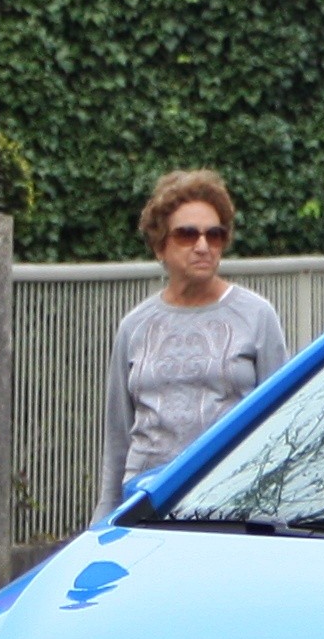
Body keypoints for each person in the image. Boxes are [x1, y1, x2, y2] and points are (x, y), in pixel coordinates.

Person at [100, 168, 289, 503]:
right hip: (147, 500)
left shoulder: (257, 316)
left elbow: (282, 419)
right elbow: (118, 437)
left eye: (214, 235)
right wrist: (105, 515)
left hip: (230, 499)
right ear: (160, 246)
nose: (203, 246)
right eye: (187, 235)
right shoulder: (135, 326)